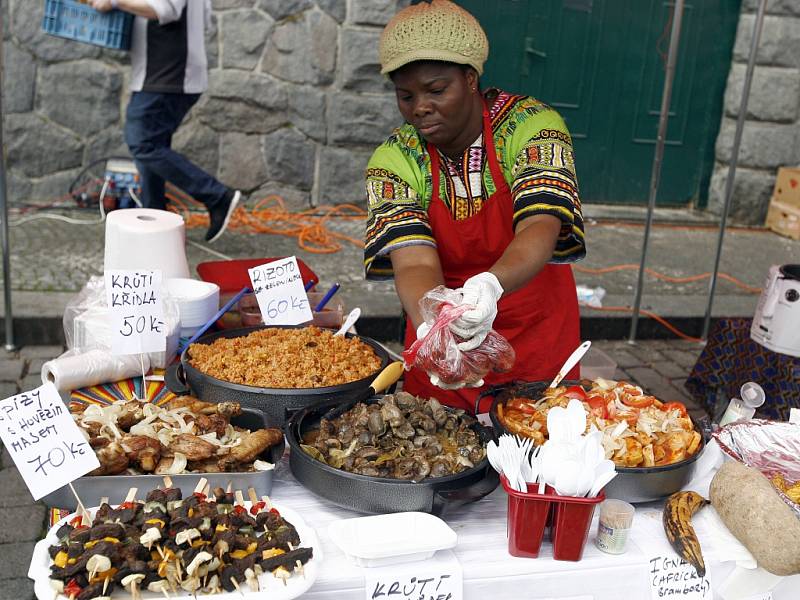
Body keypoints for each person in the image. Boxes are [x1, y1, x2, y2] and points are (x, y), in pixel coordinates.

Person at [365, 0, 586, 412]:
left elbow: (540, 225)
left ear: (470, 79)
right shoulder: (394, 160)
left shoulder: (532, 126)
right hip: (446, 347)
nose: (419, 108)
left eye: (436, 90)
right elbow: (413, 263)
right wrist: (433, 321)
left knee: (537, 441)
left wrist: (490, 285)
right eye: (405, 95)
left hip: (536, 334)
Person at [89, 0, 240, 243]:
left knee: (143, 143)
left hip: (169, 76)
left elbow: (165, 9)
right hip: (161, 75)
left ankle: (216, 196)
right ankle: (156, 223)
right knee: (150, 149)